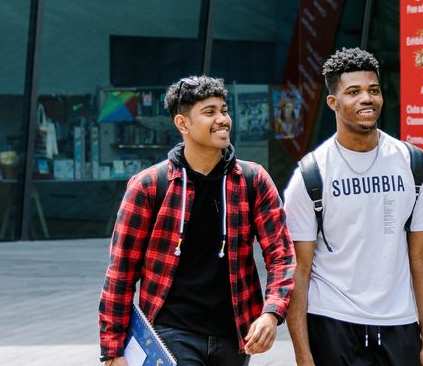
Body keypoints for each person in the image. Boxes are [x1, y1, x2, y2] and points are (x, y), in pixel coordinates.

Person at [99, 76, 296, 366]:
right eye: (209, 112)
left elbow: (282, 256)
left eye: (224, 110)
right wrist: (113, 350)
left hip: (235, 337)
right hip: (170, 334)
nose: (222, 119)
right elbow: (121, 270)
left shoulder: (253, 180)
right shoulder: (150, 185)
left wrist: (271, 312)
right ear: (183, 124)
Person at [282, 47, 423, 366]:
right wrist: (303, 354)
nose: (366, 98)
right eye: (353, 92)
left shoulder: (412, 163)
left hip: (400, 320)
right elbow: (297, 269)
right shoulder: (311, 174)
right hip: (332, 320)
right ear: (333, 102)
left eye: (374, 90)